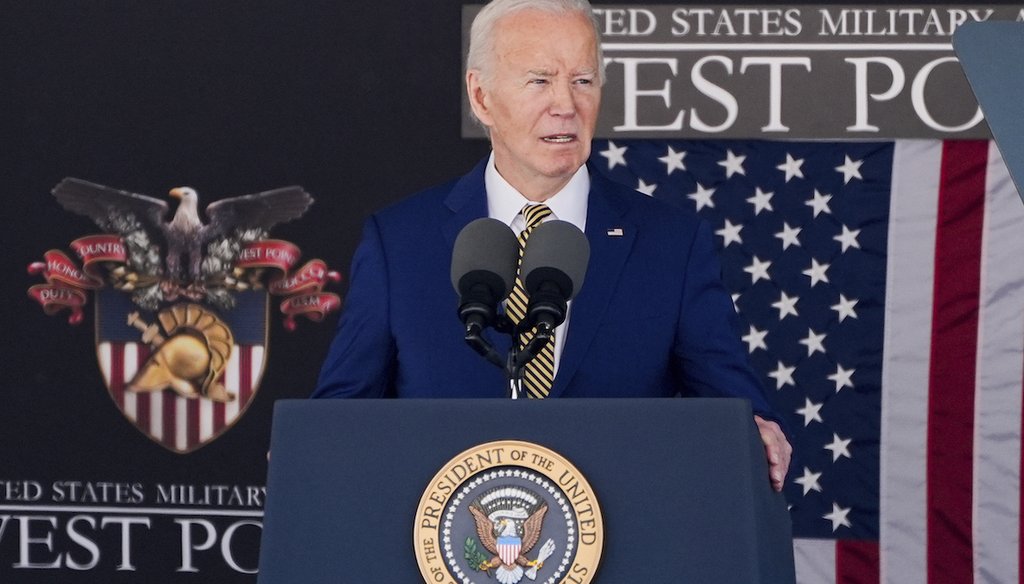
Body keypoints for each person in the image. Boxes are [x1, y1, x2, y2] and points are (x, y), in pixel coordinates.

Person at [313, 0, 792, 492]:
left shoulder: (670, 243)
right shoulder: (399, 242)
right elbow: (339, 416)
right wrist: (310, 446)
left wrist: (755, 428)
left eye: (582, 80)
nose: (565, 103)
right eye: (540, 80)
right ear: (481, 97)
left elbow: (734, 407)